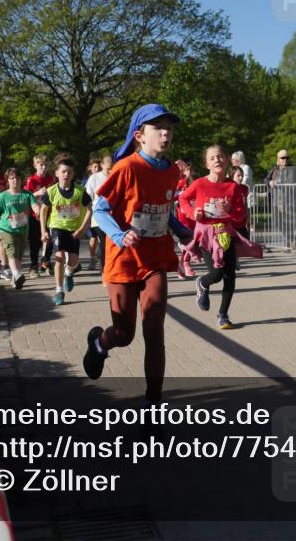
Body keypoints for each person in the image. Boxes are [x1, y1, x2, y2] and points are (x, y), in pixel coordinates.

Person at [82, 104, 181, 403]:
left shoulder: (173, 170)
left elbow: (165, 211)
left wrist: (185, 230)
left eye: (169, 128)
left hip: (154, 260)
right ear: (140, 135)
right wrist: (120, 235)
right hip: (123, 260)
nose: (165, 133)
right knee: (124, 335)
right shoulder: (127, 168)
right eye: (158, 128)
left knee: (155, 333)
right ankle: (99, 344)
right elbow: (100, 209)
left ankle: (154, 404)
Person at [179, 145, 262, 330]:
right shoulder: (200, 183)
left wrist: (230, 211)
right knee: (216, 274)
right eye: (212, 158)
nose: (217, 160)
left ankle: (223, 315)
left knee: (230, 276)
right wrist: (194, 213)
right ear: (206, 163)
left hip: (227, 233)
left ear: (226, 160)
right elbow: (183, 199)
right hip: (207, 234)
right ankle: (202, 282)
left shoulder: (233, 187)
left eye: (220, 156)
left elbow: (240, 217)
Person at [41, 153, 92, 306]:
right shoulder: (51, 192)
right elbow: (43, 211)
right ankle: (58, 290)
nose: (66, 175)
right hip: (57, 227)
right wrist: (43, 231)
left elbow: (90, 209)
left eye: (69, 172)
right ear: (57, 173)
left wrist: (83, 227)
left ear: (73, 174)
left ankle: (69, 273)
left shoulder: (80, 191)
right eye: (63, 171)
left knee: (74, 261)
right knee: (59, 257)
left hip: (74, 230)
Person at [0, 168, 38, 290]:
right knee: (11, 252)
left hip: (22, 229)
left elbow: (34, 206)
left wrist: (38, 211)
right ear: (8, 181)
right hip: (7, 229)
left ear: (21, 180)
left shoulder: (27, 194)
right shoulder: (3, 196)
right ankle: (16, 274)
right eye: (12, 178)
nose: (15, 180)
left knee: (19, 255)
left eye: (17, 178)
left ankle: (15, 278)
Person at [25, 154, 56, 278]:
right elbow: (26, 196)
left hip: (49, 214)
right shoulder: (31, 180)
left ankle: (46, 261)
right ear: (35, 166)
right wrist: (38, 192)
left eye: (46, 165)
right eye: (41, 165)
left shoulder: (51, 179)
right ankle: (33, 266)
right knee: (35, 242)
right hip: (35, 215)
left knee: (49, 239)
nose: (44, 168)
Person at [265, 148, 296, 251]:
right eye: (282, 158)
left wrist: (276, 182)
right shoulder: (274, 169)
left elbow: (290, 181)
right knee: (277, 222)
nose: (285, 160)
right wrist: (269, 182)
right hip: (276, 200)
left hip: (288, 200)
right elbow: (266, 179)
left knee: (288, 222)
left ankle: (289, 243)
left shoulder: (292, 169)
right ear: (278, 159)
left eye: (286, 158)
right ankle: (292, 238)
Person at [84, 155, 113, 272]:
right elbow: (88, 196)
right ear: (102, 166)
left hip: (112, 213)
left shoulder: (114, 176)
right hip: (98, 213)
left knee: (109, 240)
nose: (110, 171)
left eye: (112, 168)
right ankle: (104, 267)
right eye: (108, 169)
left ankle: (108, 265)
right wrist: (88, 213)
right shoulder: (94, 178)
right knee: (102, 239)